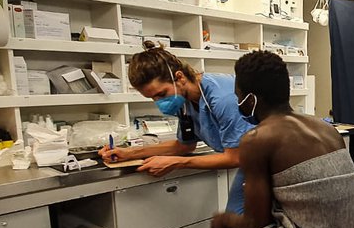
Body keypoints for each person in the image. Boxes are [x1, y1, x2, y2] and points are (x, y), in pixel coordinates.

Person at [178, 51, 354, 228]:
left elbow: (254, 226)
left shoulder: (258, 139)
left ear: (251, 99)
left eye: (238, 95)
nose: (238, 102)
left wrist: (223, 220)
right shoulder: (326, 128)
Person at [99, 42, 252, 215]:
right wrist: (129, 153)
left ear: (179, 77)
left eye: (161, 94)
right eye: (152, 98)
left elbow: (234, 158)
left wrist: (177, 163)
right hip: (252, 163)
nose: (159, 102)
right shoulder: (183, 101)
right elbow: (184, 145)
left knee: (252, 226)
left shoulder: (222, 98)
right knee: (237, 225)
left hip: (275, 160)